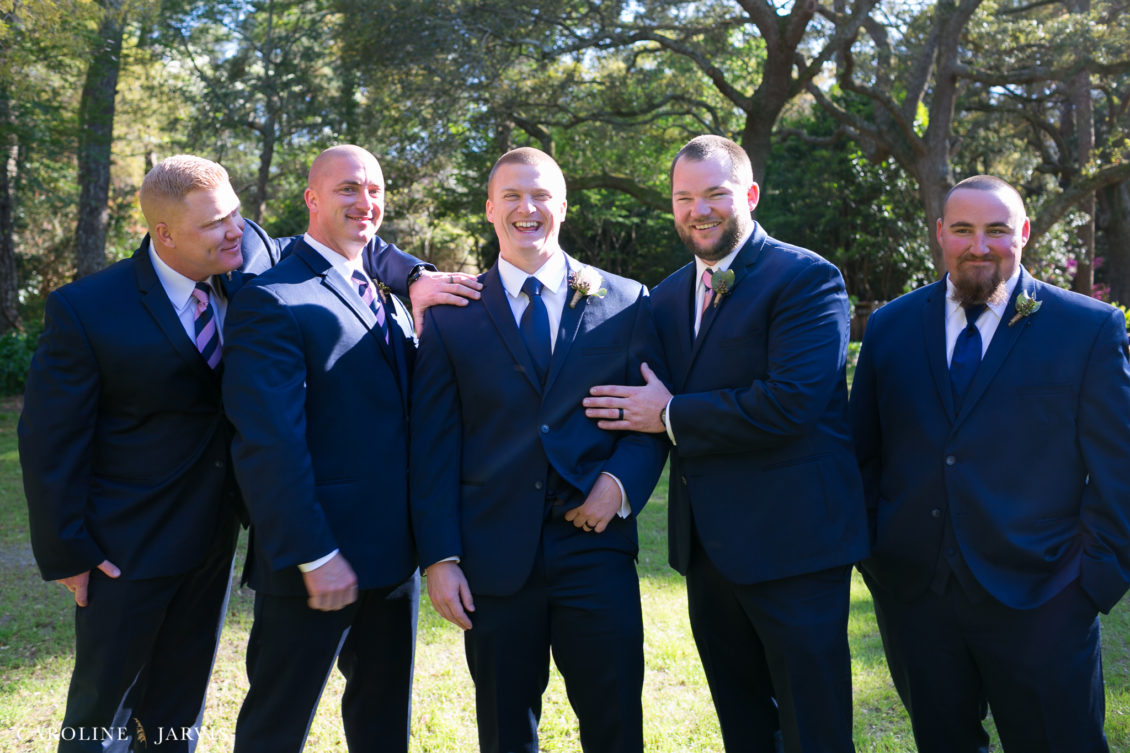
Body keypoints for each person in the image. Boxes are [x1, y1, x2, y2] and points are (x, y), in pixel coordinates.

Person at [583, 134, 868, 753]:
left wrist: (670, 414)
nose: (699, 210)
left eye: (715, 194)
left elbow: (792, 402)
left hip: (796, 546)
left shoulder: (806, 278)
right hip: (709, 551)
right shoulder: (663, 299)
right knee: (744, 725)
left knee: (815, 728)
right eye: (684, 198)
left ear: (751, 194)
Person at [848, 175, 1130, 753]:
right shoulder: (891, 327)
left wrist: (1088, 587)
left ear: (1023, 233)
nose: (979, 246)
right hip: (917, 599)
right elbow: (863, 454)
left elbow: (1119, 470)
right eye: (963, 230)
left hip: (1045, 597)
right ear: (940, 234)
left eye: (996, 230)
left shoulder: (1087, 329)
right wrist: (879, 561)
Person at [410, 147, 668, 753]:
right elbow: (433, 445)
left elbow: (650, 414)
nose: (527, 208)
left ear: (564, 206)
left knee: (615, 722)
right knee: (505, 730)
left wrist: (618, 485)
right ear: (490, 209)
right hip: (494, 556)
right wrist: (440, 557)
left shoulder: (625, 300)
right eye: (512, 196)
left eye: (541, 195)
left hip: (595, 549)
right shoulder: (453, 315)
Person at [19, 155, 248, 752]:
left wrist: (414, 275)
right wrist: (68, 552)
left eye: (235, 214)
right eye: (214, 223)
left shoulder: (241, 271)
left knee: (178, 710)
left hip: (213, 539)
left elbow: (338, 240)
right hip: (124, 549)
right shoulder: (87, 308)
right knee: (102, 716)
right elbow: (50, 439)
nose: (235, 231)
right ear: (164, 233)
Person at [222, 145, 420, 752]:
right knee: (276, 728)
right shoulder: (271, 297)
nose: (366, 202)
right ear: (312, 199)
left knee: (384, 726)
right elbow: (268, 441)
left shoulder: (388, 295)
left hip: (394, 558)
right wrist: (315, 553)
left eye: (375, 190)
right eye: (348, 189)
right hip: (316, 560)